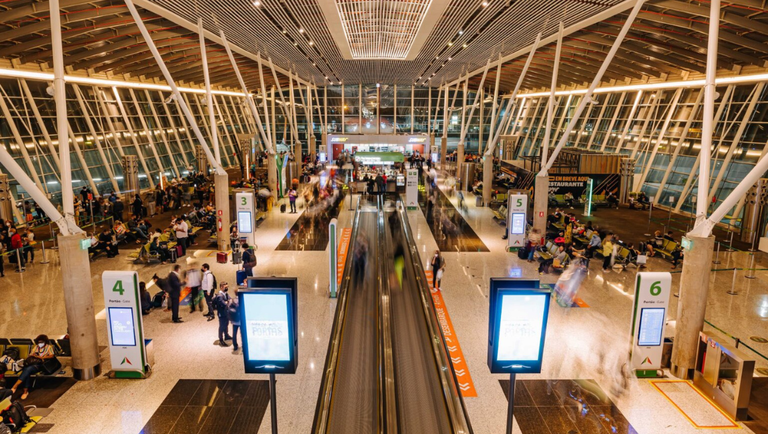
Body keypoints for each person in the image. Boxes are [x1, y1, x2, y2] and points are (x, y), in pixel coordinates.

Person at [11, 334, 55, 400]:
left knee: (27, 370)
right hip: (32, 364)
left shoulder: (48, 347)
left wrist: (41, 357)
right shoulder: (36, 347)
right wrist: (34, 355)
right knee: (27, 371)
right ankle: (25, 391)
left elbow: (52, 356)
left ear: (45, 342)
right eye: (39, 342)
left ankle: (15, 386)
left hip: (41, 365)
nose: (40, 344)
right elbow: (30, 355)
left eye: (42, 342)